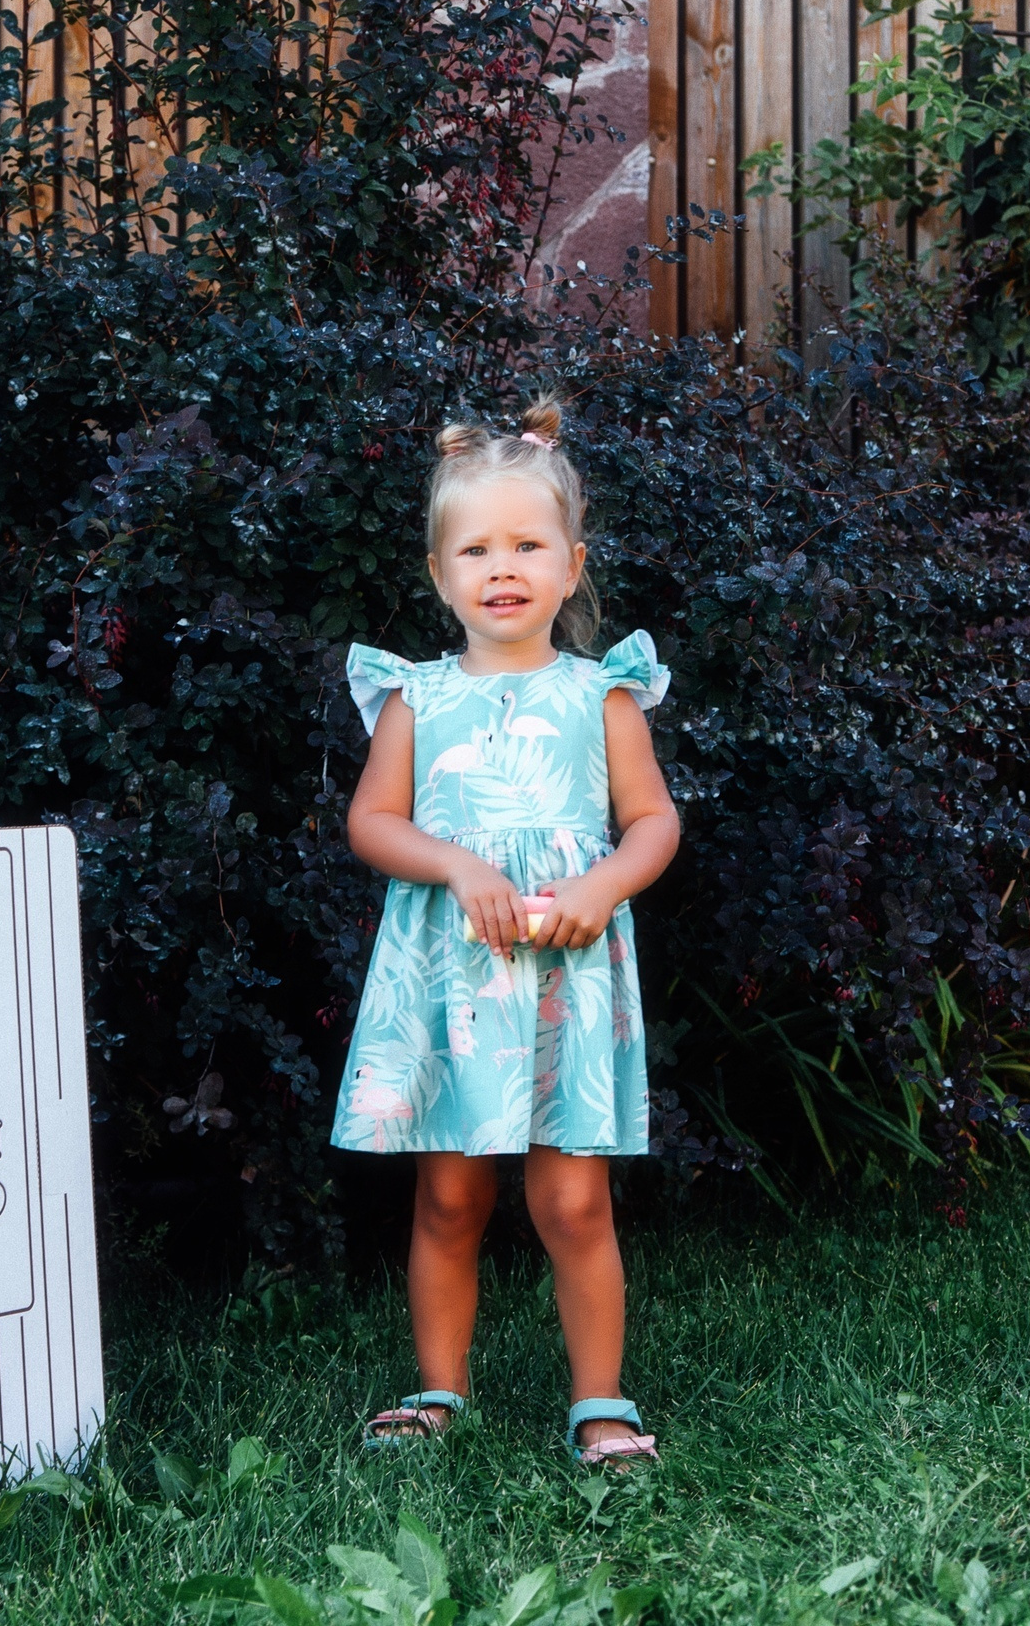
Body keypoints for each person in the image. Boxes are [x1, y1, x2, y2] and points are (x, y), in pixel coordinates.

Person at [334, 395, 680, 1468]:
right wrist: (457, 861)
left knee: (571, 1198)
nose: (502, 566)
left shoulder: (602, 694)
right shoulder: (413, 699)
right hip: (451, 973)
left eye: (527, 544)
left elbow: (653, 819)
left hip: (563, 974)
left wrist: (609, 886)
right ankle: (439, 1388)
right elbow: (373, 821)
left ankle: (600, 1401)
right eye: (475, 547)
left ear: (569, 566)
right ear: (440, 576)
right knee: (448, 1191)